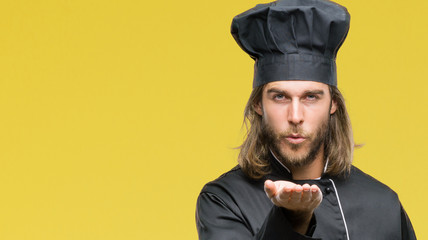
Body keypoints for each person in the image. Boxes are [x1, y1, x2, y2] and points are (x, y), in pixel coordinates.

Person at [195, 0, 417, 239]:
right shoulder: (225, 200)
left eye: (311, 97)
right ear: (258, 104)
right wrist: (292, 219)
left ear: (333, 104)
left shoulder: (381, 204)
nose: (295, 116)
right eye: (280, 97)